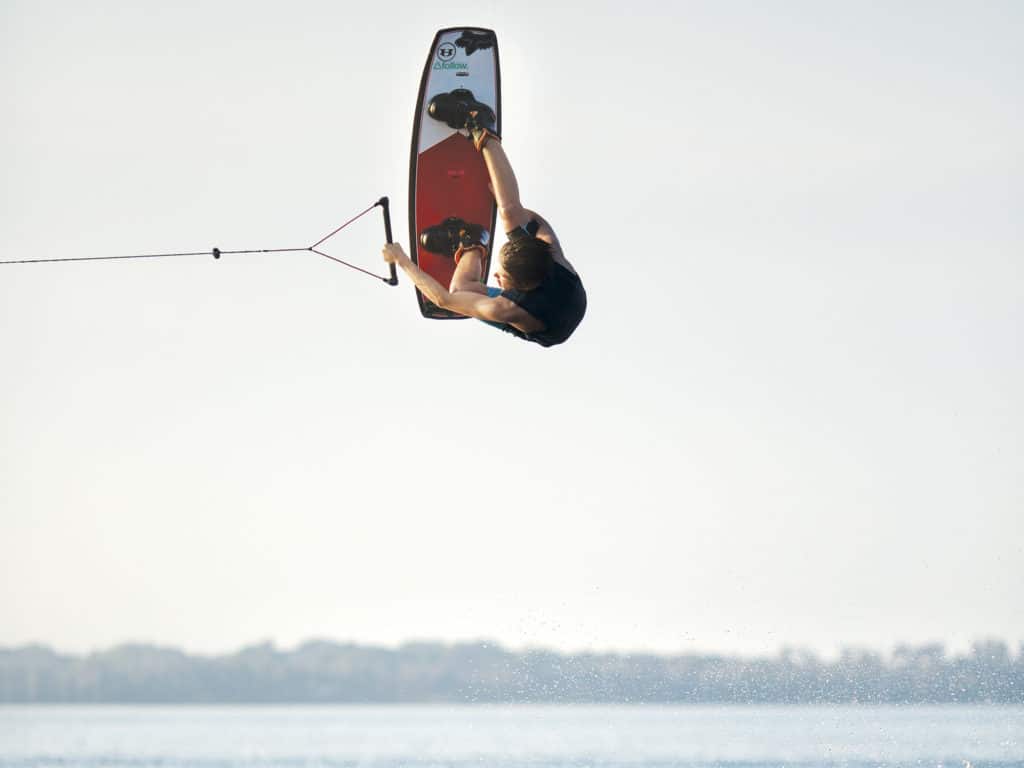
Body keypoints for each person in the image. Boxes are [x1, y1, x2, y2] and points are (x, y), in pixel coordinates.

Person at [383, 97, 586, 348]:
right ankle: (482, 126)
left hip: (552, 327)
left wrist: (401, 259)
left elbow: (445, 299)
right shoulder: (548, 245)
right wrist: (503, 198)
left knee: (460, 291)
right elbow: (522, 212)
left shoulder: (508, 309)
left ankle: (470, 242)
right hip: (568, 291)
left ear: (521, 289)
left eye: (502, 277)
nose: (496, 276)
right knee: (511, 213)